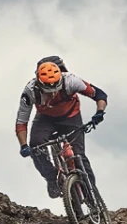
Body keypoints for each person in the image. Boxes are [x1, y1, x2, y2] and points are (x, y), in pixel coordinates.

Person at [15, 56, 108, 200]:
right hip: (45, 119)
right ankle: (51, 179)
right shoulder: (30, 91)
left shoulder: (71, 81)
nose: (52, 94)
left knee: (79, 157)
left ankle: (93, 197)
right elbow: (21, 121)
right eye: (47, 91)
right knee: (35, 147)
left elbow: (99, 95)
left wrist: (100, 112)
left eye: (55, 90)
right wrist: (24, 145)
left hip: (71, 117)